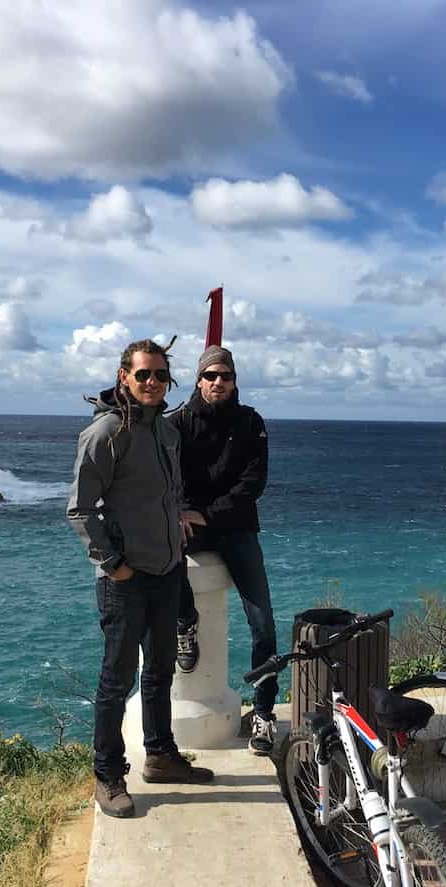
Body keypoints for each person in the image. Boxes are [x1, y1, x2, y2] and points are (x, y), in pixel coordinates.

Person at [67, 337, 213, 819]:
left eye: (159, 375)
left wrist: (180, 515)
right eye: (142, 374)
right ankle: (108, 776)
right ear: (123, 377)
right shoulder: (107, 433)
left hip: (167, 570)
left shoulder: (166, 431)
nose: (152, 382)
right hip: (126, 580)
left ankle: (161, 755)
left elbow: (163, 493)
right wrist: (114, 565)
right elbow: (80, 509)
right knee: (117, 679)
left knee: (160, 671)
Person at [172, 345, 279, 756]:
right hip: (190, 524)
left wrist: (207, 515)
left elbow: (254, 483)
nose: (219, 382)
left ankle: (264, 715)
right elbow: (166, 475)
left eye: (226, 376)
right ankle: (186, 625)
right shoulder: (178, 422)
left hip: (234, 528)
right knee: (163, 559)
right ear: (199, 379)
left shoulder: (250, 422)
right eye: (211, 375)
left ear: (235, 381)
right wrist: (181, 511)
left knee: (263, 623)